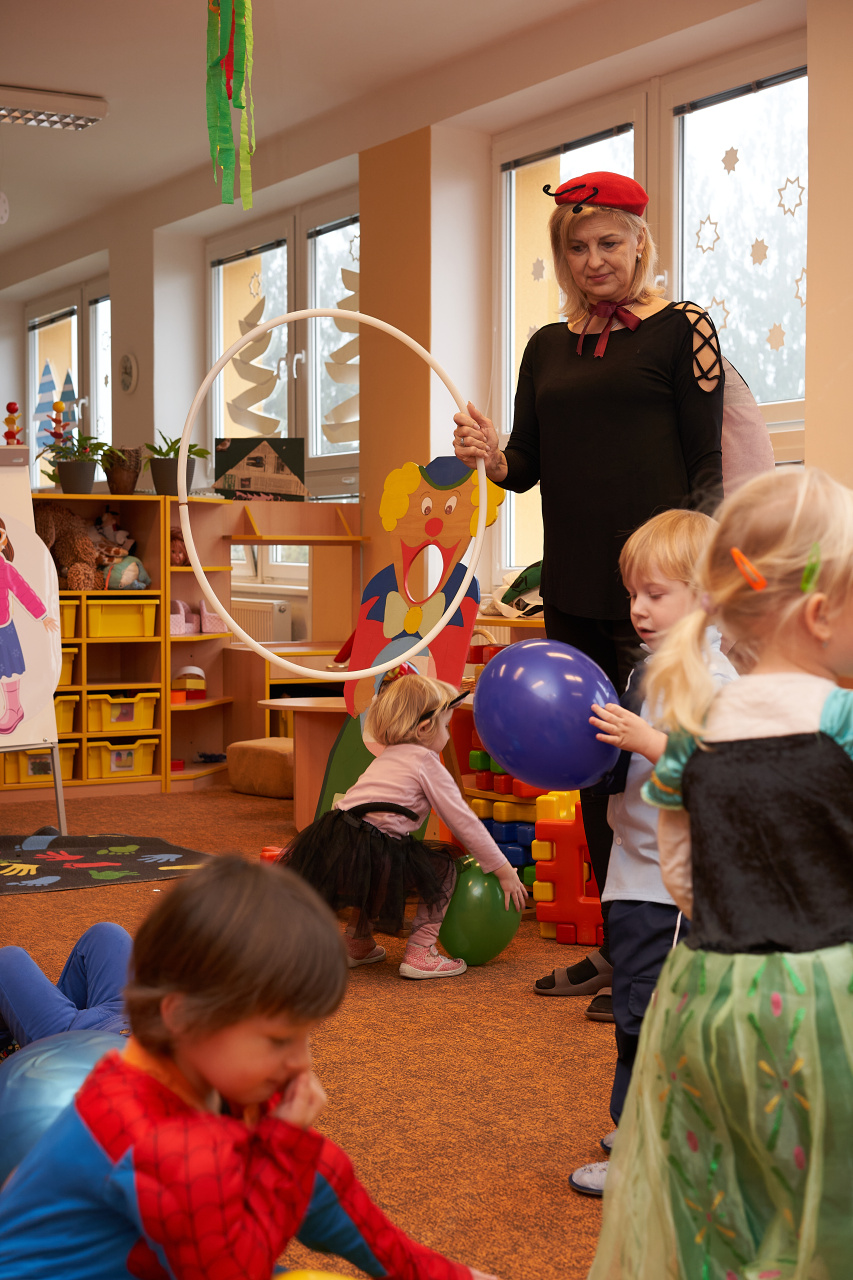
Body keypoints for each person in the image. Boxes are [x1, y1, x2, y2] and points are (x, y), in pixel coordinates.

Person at [453, 171, 724, 1018]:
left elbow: (706, 466)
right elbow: (524, 469)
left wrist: (703, 573)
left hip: (661, 591)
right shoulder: (544, 346)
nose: (593, 259)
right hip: (571, 585)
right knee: (599, 775)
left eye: (609, 241)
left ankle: (684, 940)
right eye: (576, 246)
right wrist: (491, 455)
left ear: (640, 242)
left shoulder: (683, 328)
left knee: (662, 763)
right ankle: (621, 946)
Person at [589, 467, 853, 1278]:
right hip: (826, 989)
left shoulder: (697, 725)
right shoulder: (841, 718)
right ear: (819, 613)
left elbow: (679, 867)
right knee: (825, 1176)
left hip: (710, 989)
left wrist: (731, 914)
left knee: (719, 1177)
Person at [0, 857, 502, 1280]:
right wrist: (281, 1147)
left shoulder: (218, 1082)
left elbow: (324, 1191)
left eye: (305, 1035)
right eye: (279, 1039)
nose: (302, 1062)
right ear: (183, 1017)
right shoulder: (152, 1138)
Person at [555, 509, 737, 1198]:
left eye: (656, 594)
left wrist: (646, 740)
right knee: (637, 1008)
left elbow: (721, 776)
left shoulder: (712, 679)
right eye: (632, 593)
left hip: (670, 889)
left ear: (706, 596)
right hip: (636, 874)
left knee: (648, 1016)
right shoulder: (656, 668)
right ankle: (649, 1125)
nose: (637, 608)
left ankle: (646, 1149)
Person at [284, 670, 526, 979]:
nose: (448, 734)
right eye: (446, 726)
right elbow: (464, 822)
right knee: (443, 869)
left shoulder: (387, 756)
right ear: (425, 728)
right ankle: (421, 952)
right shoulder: (426, 762)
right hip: (373, 842)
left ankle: (356, 942)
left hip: (338, 836)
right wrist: (502, 869)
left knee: (372, 876)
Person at [0, 921, 132, 1054]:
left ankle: (7, 1049)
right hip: (130, 1015)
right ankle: (29, 1020)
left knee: (8, 960)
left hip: (86, 1046)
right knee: (107, 933)